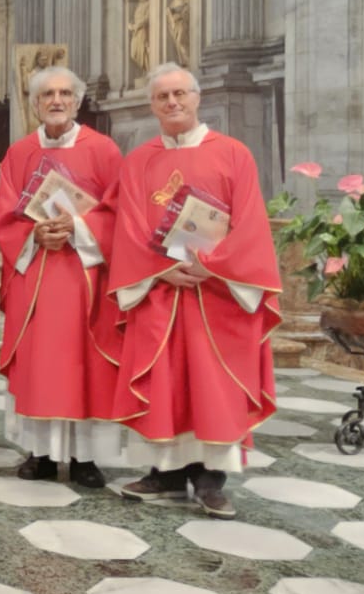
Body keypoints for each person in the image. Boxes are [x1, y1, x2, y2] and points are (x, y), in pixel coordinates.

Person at [107, 63, 279, 518]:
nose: (172, 103)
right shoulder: (139, 160)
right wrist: (160, 269)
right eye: (163, 97)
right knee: (164, 381)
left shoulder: (233, 154)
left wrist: (209, 266)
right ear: (153, 105)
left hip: (217, 295)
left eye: (180, 94)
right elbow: (128, 228)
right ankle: (163, 473)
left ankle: (211, 479)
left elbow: (250, 225)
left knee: (212, 384)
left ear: (197, 98)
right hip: (161, 292)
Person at [0, 66, 125, 488]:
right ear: (34, 103)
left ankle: (85, 458)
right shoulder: (19, 153)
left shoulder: (104, 151)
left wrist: (78, 229)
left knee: (84, 364)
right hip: (38, 274)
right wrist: (34, 232)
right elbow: (4, 215)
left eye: (65, 94)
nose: (56, 101)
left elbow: (118, 213)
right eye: (47, 94)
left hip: (85, 275)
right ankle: (41, 453)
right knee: (39, 363)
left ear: (77, 101)